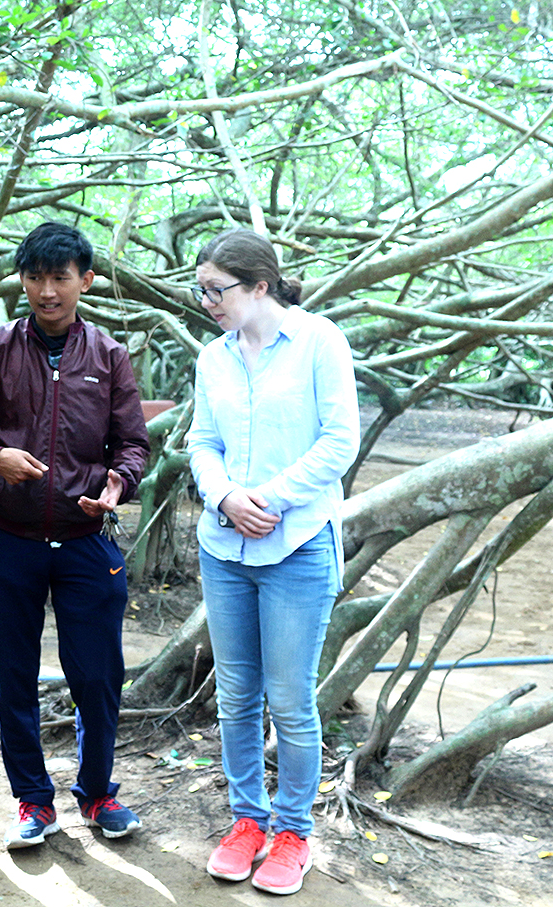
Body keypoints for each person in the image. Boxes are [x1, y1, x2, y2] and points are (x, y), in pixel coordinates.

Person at [0, 222, 150, 849]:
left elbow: (134, 443)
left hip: (85, 542)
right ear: (21, 280)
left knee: (98, 675)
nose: (47, 291)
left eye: (60, 278)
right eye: (36, 278)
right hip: (10, 541)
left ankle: (99, 796)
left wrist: (117, 485)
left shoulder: (109, 356)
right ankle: (33, 802)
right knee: (14, 674)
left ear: (86, 281)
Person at [187, 229, 359, 895]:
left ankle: (292, 831)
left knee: (289, 698)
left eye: (217, 289)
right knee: (234, 696)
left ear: (259, 285)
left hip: (295, 546)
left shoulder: (319, 341)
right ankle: (245, 819)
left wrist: (269, 499)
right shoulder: (213, 358)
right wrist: (225, 495)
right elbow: (202, 440)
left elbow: (338, 439)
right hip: (224, 546)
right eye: (200, 289)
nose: (206, 301)